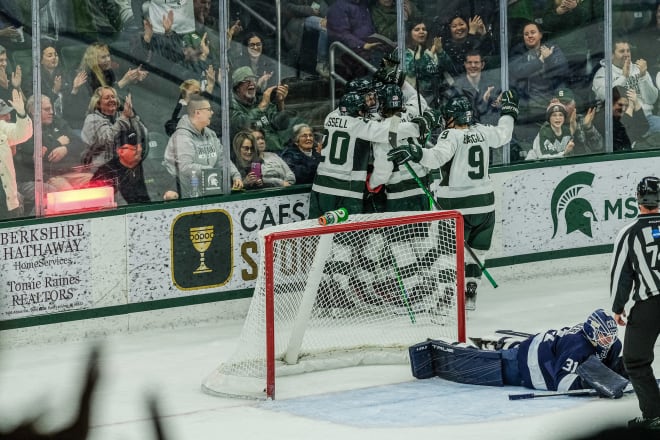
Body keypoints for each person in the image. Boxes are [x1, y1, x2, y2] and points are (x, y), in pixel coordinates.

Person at [387, 91, 518, 310]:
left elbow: (435, 158)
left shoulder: (450, 135)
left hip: (456, 206)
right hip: (485, 205)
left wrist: (414, 151)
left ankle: (446, 295)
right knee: (477, 252)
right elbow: (505, 133)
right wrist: (508, 111)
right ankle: (470, 292)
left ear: (453, 117)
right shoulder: (483, 131)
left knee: (447, 253)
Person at [410, 309, 626, 396]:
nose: (608, 341)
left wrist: (623, 371)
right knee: (492, 366)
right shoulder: (577, 347)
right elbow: (560, 382)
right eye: (603, 336)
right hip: (529, 365)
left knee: (515, 349)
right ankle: (452, 344)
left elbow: (607, 368)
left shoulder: (613, 344)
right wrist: (588, 383)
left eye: (610, 336)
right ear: (591, 331)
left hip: (543, 344)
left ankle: (503, 341)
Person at [610, 176, 660, 430]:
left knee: (636, 360)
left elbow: (622, 274)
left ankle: (654, 416)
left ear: (638, 199)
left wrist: (617, 307)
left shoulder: (629, 233)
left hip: (649, 304)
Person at [15, 94, 91, 214]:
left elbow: (80, 143)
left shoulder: (57, 122)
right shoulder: (27, 129)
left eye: (51, 109)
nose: (51, 112)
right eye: (46, 109)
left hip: (69, 171)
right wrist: (57, 143)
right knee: (69, 195)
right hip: (49, 176)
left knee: (95, 181)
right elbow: (38, 156)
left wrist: (65, 149)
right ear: (33, 111)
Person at [508, 22, 569, 156]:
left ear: (540, 34)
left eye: (533, 32)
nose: (530, 36)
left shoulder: (552, 49)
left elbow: (563, 71)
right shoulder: (518, 52)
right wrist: (540, 60)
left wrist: (549, 58)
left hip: (550, 103)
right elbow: (518, 71)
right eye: (526, 34)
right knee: (531, 149)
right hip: (528, 106)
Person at [164, 94, 242, 198]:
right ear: (198, 113)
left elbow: (222, 159)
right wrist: (211, 171)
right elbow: (185, 167)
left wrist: (235, 175)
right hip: (185, 195)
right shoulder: (182, 137)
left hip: (209, 190)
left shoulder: (210, 134)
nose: (212, 112)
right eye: (209, 109)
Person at [91, 130, 179, 205]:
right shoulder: (105, 173)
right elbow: (93, 201)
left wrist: (172, 192)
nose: (139, 149)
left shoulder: (152, 166)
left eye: (140, 145)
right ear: (120, 151)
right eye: (134, 147)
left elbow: (173, 184)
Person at [80, 86, 147, 169]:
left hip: (125, 166)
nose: (111, 100)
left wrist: (132, 117)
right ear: (98, 103)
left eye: (113, 97)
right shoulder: (92, 119)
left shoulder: (121, 115)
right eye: (107, 98)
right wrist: (124, 117)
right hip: (100, 169)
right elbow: (107, 139)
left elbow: (143, 134)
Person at [229, 66, 293, 153]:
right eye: (247, 81)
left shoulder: (259, 99)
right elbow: (241, 125)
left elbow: (282, 125)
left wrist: (280, 103)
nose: (252, 83)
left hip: (279, 150)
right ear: (237, 88)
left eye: (253, 80)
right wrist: (262, 106)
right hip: (255, 154)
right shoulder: (231, 105)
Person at [592, 38, 658, 117]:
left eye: (628, 51)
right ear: (611, 55)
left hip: (646, 116)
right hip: (620, 121)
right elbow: (606, 97)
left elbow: (651, 100)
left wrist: (643, 76)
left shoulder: (638, 69)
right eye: (622, 51)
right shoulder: (602, 74)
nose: (626, 54)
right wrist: (624, 77)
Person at [403, 19, 454, 111]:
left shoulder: (431, 48)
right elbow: (411, 70)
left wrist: (440, 52)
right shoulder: (405, 52)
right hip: (417, 100)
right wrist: (430, 54)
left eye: (424, 29)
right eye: (417, 29)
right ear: (409, 33)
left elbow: (450, 68)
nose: (421, 32)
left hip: (439, 98)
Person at [0, 88, 32, 219]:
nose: (8, 117)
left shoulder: (2, 127)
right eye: (3, 114)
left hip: (6, 200)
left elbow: (23, 134)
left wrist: (22, 114)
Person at [282, 0, 330, 79]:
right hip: (295, 21)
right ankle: (321, 63)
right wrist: (310, 10)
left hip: (309, 17)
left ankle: (326, 63)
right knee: (325, 26)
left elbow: (320, 3)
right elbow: (287, 7)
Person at [552, 87, 603, 156]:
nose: (564, 107)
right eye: (561, 104)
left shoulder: (581, 120)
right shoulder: (550, 126)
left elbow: (599, 146)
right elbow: (555, 155)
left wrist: (588, 127)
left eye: (567, 103)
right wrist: (570, 132)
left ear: (574, 104)